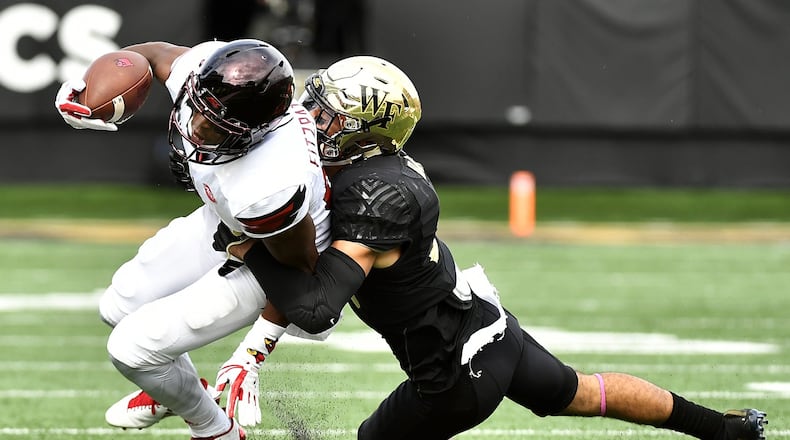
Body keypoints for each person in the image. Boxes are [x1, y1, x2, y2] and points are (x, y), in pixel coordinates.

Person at [215, 56, 769, 439]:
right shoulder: (374, 171)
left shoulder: (375, 194)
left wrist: (251, 249)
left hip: (454, 375)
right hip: (489, 326)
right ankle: (725, 429)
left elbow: (315, 309)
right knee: (585, 392)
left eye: (328, 113)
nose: (311, 119)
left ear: (366, 133)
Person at [54, 39, 333, 440]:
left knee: (131, 349)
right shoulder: (209, 75)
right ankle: (177, 390)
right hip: (226, 223)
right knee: (119, 305)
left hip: (270, 259)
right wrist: (89, 87)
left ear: (256, 131)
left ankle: (214, 430)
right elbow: (148, 55)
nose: (196, 129)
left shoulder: (270, 183)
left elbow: (301, 271)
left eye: (216, 128)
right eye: (199, 111)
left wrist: (254, 352)